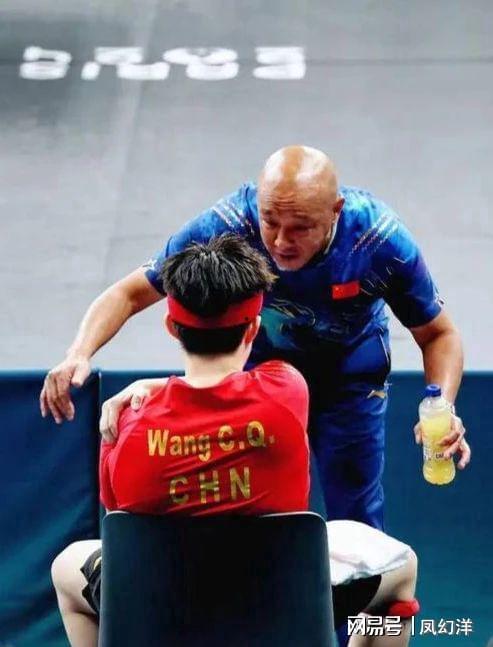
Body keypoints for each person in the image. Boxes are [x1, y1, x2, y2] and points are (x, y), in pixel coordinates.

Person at [41, 145, 470, 530]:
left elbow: (439, 334)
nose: (281, 241)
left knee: (356, 518)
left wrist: (442, 406)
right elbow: (130, 292)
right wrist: (78, 353)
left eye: (300, 227)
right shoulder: (230, 224)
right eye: (271, 221)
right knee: (253, 516)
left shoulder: (380, 241)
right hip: (256, 385)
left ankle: (359, 600)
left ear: (335, 210)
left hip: (349, 382)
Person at [51, 236, 419, 647]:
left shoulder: (123, 424)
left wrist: (152, 390)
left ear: (171, 327)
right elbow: (238, 384)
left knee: (67, 567)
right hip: (281, 607)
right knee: (402, 568)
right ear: (254, 329)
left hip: (163, 610)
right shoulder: (287, 391)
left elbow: (125, 530)